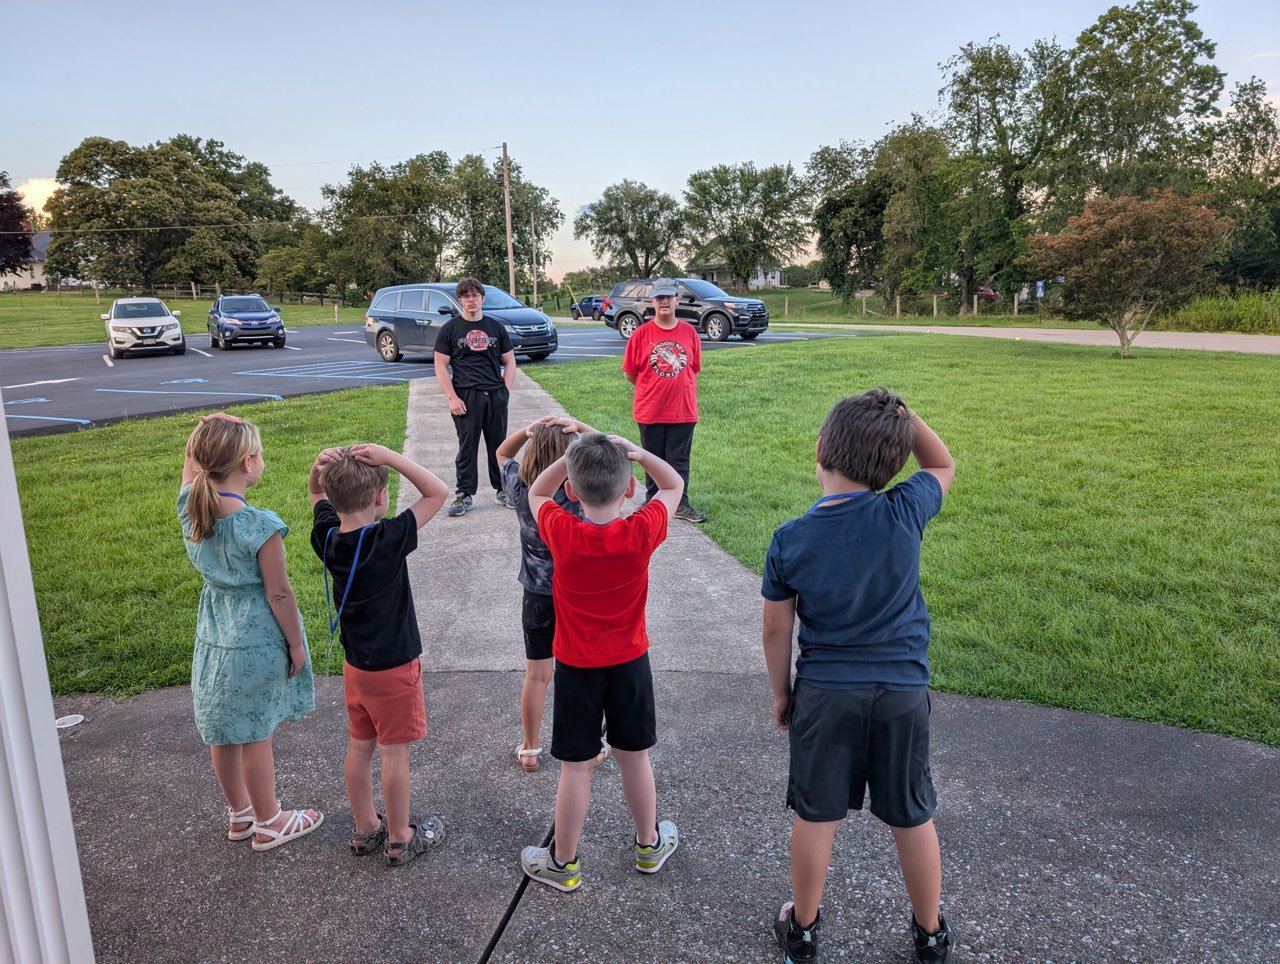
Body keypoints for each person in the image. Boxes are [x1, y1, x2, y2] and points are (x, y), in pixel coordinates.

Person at [761, 388, 957, 964]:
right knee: (912, 813)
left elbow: (777, 631)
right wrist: (905, 415)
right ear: (894, 463)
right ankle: (929, 934)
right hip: (901, 693)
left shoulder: (790, 539)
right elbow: (941, 463)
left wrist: (782, 692)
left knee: (816, 812)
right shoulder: (905, 510)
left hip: (826, 695)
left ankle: (801, 927)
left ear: (820, 449)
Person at [519, 432, 684, 891]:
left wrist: (569, 460)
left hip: (576, 667)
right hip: (630, 662)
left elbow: (536, 491)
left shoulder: (562, 530)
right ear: (630, 488)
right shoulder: (640, 530)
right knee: (635, 757)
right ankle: (649, 846)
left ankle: (564, 863)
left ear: (571, 491)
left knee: (576, 765)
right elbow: (672, 486)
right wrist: (639, 452)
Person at [178, 412, 323, 852]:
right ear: (246, 463)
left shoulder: (191, 504)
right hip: (255, 637)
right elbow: (279, 594)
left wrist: (201, 433)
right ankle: (270, 820)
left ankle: (240, 814)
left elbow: (191, 462)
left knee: (224, 731)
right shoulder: (258, 525)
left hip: (215, 633)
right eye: (259, 454)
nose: (262, 460)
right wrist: (296, 644)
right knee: (257, 732)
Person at [308, 442, 451, 867]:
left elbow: (317, 497)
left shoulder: (328, 537)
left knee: (360, 747)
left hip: (356, 668)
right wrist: (389, 456)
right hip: (394, 668)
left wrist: (319, 469)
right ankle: (401, 837)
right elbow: (437, 491)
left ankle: (366, 828)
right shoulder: (388, 537)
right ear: (380, 498)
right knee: (394, 754)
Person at [495, 414, 609, 773]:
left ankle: (530, 748)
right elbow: (613, 452)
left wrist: (527, 432)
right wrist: (580, 426)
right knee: (581, 674)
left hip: (537, 595)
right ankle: (587, 747)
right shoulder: (582, 487)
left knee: (537, 674)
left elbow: (501, 452)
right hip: (579, 596)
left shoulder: (520, 486)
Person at [620, 278, 707, 523]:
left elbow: (693, 367)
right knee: (651, 459)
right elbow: (630, 373)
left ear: (677, 300)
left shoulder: (689, 332)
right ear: (653, 301)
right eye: (659, 297)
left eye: (669, 297)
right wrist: (652, 388)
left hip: (683, 410)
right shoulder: (641, 334)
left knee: (679, 459)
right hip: (650, 409)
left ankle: (680, 503)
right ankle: (653, 501)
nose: (664, 302)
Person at [433, 277, 517, 518]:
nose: (471, 299)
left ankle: (503, 490)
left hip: (495, 395)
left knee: (499, 446)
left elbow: (509, 360)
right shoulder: (450, 329)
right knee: (467, 446)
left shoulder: (495, 328)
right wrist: (452, 397)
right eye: (466, 296)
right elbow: (440, 365)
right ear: (460, 300)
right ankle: (464, 494)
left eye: (475, 295)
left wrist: (505, 390)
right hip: (466, 397)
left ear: (483, 298)